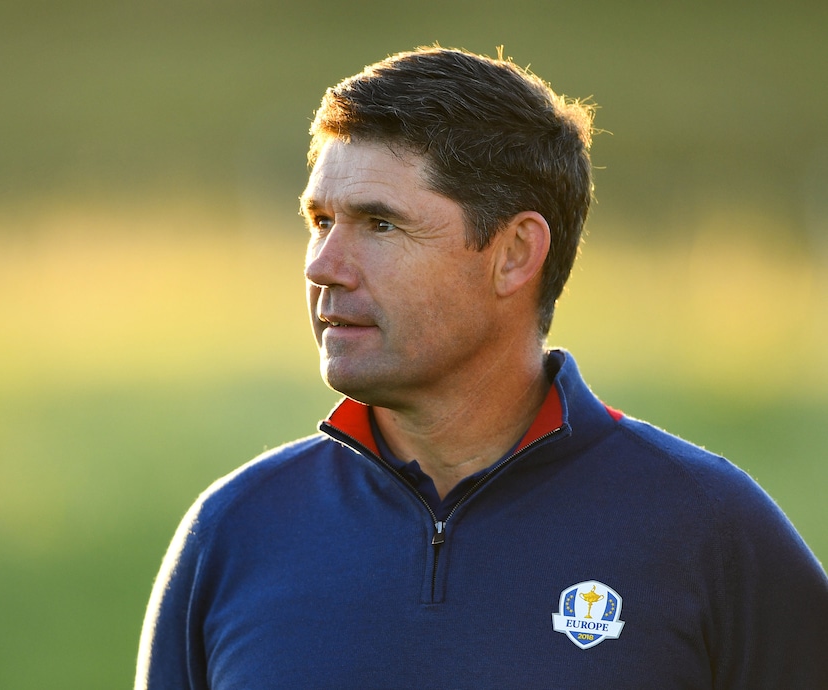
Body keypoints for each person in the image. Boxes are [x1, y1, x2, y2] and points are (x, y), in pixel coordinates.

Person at [135, 46, 828, 689]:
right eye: (320, 221)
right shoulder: (233, 533)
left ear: (516, 253)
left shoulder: (708, 531)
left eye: (379, 224)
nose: (323, 267)